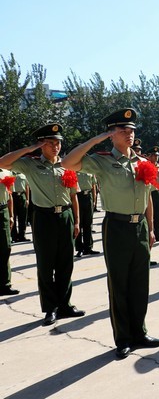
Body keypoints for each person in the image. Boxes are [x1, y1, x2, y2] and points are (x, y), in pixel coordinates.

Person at [62, 108, 159, 359]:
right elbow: (67, 162)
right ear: (112, 134)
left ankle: (140, 332)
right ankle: (124, 338)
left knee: (140, 283)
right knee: (119, 284)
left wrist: (150, 228)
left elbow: (148, 196)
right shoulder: (102, 160)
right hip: (116, 226)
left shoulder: (142, 162)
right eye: (123, 131)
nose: (129, 134)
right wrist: (98, 139)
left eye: (131, 131)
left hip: (140, 227)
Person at [0, 123, 84, 325]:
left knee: (66, 263)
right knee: (46, 265)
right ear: (41, 145)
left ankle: (65, 304)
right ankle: (50, 308)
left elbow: (74, 196)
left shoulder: (67, 166)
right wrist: (30, 148)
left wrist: (77, 221)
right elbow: (3, 162)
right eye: (50, 143)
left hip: (65, 216)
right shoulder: (31, 164)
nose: (55, 146)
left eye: (58, 143)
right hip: (44, 218)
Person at [0, 168, 18, 295]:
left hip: (3, 211)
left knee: (5, 247)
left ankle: (5, 284)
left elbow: (9, 194)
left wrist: (11, 215)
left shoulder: (6, 172)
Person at [75, 170, 100, 257]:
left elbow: (93, 185)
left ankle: (88, 247)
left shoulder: (89, 169)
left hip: (88, 196)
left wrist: (94, 199)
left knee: (88, 223)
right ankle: (79, 248)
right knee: (79, 224)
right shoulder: (74, 169)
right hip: (78, 196)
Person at [10, 171, 29, 243]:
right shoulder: (10, 173)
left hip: (22, 195)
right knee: (13, 217)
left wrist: (27, 199)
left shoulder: (23, 173)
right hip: (13, 196)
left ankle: (22, 236)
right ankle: (14, 236)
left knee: (23, 217)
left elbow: (27, 186)